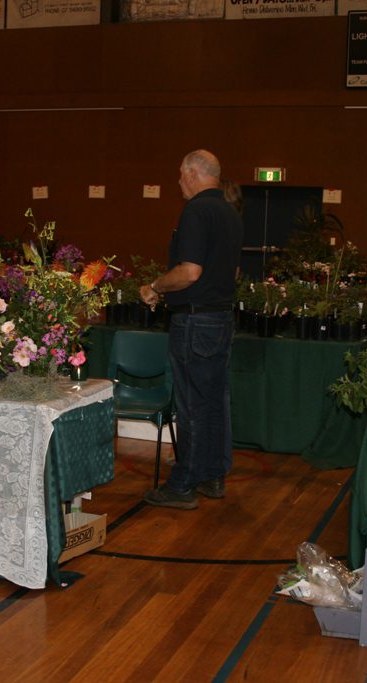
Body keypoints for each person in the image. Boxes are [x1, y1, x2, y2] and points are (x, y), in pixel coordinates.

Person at [139, 150, 243, 510]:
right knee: (214, 401)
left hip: (195, 321)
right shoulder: (230, 212)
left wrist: (156, 286)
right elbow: (233, 274)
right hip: (221, 318)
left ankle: (183, 483)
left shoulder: (197, 211)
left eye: (180, 175)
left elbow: (189, 272)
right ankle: (212, 475)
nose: (178, 182)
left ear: (193, 172)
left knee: (192, 405)